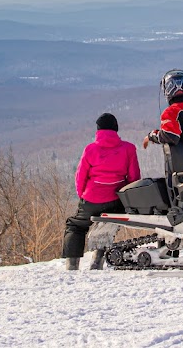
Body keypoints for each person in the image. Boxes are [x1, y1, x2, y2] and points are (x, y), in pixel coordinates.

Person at [62, 112, 141, 271]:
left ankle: (71, 266)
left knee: (76, 226)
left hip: (91, 199)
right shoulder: (128, 148)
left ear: (98, 130)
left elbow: (80, 177)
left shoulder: (90, 149)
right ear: (116, 129)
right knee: (108, 223)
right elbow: (134, 178)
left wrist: (83, 197)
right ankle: (97, 261)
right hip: (116, 200)